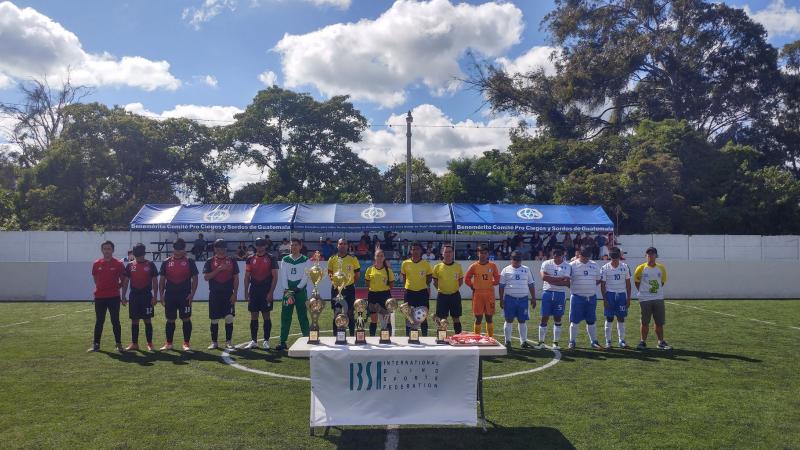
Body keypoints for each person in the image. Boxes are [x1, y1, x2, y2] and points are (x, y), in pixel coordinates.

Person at [158, 238, 198, 351]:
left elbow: (195, 279)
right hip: (170, 295)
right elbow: (162, 280)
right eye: (176, 248)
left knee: (186, 319)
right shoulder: (166, 262)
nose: (178, 251)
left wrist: (192, 294)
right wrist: (161, 295)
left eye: (180, 249)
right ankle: (169, 343)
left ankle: (186, 343)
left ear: (184, 249)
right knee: (170, 319)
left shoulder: (190, 261)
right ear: (173, 248)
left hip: (184, 295)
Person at [88, 241, 126, 353]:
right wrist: (101, 288)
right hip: (100, 297)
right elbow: (95, 279)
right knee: (99, 321)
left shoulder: (118, 264)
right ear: (102, 250)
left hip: (114, 297)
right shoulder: (96, 263)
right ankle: (96, 344)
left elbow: (123, 279)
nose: (107, 250)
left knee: (115, 321)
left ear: (112, 250)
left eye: (109, 248)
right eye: (105, 248)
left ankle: (119, 344)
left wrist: (117, 287)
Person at [274, 238, 310, 351]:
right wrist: (286, 289)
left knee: (303, 316)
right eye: (292, 245)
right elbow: (283, 276)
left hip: (300, 291)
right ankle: (283, 341)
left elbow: (306, 276)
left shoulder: (306, 260)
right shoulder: (285, 259)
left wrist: (298, 288)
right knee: (285, 317)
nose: (293, 247)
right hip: (288, 291)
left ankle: (307, 339)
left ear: (300, 246)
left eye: (295, 245)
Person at [242, 238, 279, 350]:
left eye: (262, 245)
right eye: (258, 245)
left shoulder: (271, 258)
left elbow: (275, 277)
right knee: (253, 315)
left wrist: (271, 293)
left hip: (266, 290)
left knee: (266, 315)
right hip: (254, 290)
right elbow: (247, 277)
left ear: (265, 246)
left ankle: (266, 341)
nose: (260, 247)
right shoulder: (250, 259)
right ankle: (254, 341)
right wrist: (245, 292)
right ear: (255, 246)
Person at [202, 239, 239, 350]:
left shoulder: (232, 260)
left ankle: (228, 341)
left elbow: (236, 278)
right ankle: (214, 342)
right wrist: (219, 269)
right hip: (214, 294)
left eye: (223, 247)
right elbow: (206, 277)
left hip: (228, 293)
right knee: (214, 319)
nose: (221, 250)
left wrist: (235, 294)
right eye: (218, 248)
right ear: (215, 249)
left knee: (229, 318)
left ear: (226, 248)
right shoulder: (210, 261)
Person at [121, 243, 159, 351]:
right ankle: (134, 344)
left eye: (140, 252)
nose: (139, 255)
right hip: (134, 296)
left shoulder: (150, 264)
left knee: (147, 320)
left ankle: (150, 344)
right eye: (137, 253)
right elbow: (126, 282)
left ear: (144, 252)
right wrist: (123, 296)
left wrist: (155, 296)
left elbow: (155, 281)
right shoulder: (130, 265)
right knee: (134, 320)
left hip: (147, 296)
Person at [633, 247, 671, 350]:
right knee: (644, 322)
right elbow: (636, 282)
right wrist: (643, 292)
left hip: (658, 298)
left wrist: (655, 292)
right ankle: (642, 342)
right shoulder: (640, 268)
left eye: (653, 254)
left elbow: (662, 282)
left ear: (656, 256)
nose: (650, 256)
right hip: (645, 299)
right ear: (646, 256)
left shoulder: (661, 268)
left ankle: (660, 342)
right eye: (648, 255)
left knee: (659, 322)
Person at [499, 251, 536, 349]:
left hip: (523, 300)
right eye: (515, 259)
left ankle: (523, 342)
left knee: (522, 320)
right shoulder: (505, 270)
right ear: (511, 259)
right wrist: (501, 299)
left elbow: (531, 284)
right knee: (509, 320)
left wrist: (533, 298)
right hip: (509, 299)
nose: (517, 261)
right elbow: (501, 286)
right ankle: (508, 341)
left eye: (518, 259)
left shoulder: (526, 270)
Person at [567, 246, 602, 350]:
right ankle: (572, 341)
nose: (586, 258)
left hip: (591, 297)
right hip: (577, 297)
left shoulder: (594, 265)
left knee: (591, 320)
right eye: (584, 256)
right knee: (574, 321)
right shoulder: (572, 265)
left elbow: (598, 279)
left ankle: (594, 342)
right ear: (580, 255)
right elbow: (567, 280)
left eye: (588, 257)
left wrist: (588, 286)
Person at [538, 244, 571, 349]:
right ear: (553, 254)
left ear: (563, 255)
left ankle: (555, 342)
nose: (557, 257)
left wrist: (551, 279)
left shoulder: (567, 266)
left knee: (558, 318)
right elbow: (543, 277)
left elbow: (566, 282)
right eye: (555, 255)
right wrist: (559, 279)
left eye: (559, 255)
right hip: (547, 292)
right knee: (544, 317)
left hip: (560, 294)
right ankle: (541, 342)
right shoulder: (546, 263)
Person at [464, 245, 500, 338]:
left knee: (489, 317)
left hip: (489, 294)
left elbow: (497, 278)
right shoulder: (474, 266)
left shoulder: (492, 265)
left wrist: (491, 282)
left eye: (485, 253)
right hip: (478, 294)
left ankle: (490, 338)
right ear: (478, 253)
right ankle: (477, 338)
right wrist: (472, 285)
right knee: (478, 317)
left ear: (488, 254)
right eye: (481, 253)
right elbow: (466, 278)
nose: (483, 255)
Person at [328, 238, 361, 337]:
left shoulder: (353, 258)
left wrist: (348, 284)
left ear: (347, 246)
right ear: (337, 245)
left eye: (344, 244)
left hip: (349, 289)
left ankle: (351, 336)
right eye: (340, 244)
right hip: (336, 289)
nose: (342, 245)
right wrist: (336, 283)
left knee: (350, 313)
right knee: (337, 313)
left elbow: (357, 274)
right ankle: (336, 336)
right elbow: (330, 273)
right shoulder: (332, 258)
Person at [600, 246, 631, 349]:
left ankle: (621, 340)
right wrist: (605, 299)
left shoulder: (625, 267)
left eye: (616, 256)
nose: (615, 259)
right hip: (610, 295)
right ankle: (608, 341)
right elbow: (603, 285)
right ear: (610, 256)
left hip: (621, 295)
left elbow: (628, 284)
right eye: (613, 256)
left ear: (619, 256)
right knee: (609, 318)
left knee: (621, 318)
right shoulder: (605, 268)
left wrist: (628, 298)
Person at [400, 242, 433, 336]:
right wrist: (408, 287)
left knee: (423, 315)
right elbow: (404, 277)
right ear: (411, 251)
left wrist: (423, 284)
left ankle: (425, 336)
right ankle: (408, 336)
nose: (415, 251)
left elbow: (429, 277)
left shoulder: (426, 264)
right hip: (409, 292)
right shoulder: (405, 263)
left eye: (417, 249)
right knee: (408, 315)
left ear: (421, 251)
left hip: (422, 293)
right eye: (413, 249)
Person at [432, 244, 464, 335]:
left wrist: (452, 289)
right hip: (442, 296)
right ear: (442, 253)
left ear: (453, 253)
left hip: (455, 295)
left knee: (456, 318)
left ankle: (458, 337)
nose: (448, 254)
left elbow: (461, 281)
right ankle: (442, 339)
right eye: (446, 252)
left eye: (450, 252)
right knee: (442, 319)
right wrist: (443, 289)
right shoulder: (437, 267)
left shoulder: (458, 266)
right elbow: (435, 282)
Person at [365, 248, 395, 337]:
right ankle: (372, 338)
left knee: (387, 319)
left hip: (385, 295)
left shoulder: (388, 270)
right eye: (377, 255)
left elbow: (391, 285)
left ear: (384, 258)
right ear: (375, 257)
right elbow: (367, 283)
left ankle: (388, 338)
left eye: (381, 256)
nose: (379, 257)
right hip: (373, 295)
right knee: (373, 319)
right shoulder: (369, 269)